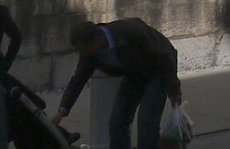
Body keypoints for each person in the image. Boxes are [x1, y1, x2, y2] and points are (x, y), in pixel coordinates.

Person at [55, 20, 182, 149]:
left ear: (97, 39)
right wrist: (62, 112)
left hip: (159, 69)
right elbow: (78, 80)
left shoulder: (129, 30)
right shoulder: (89, 54)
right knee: (117, 122)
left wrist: (174, 90)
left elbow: (164, 55)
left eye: (84, 50)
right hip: (134, 73)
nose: (83, 54)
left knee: (146, 120)